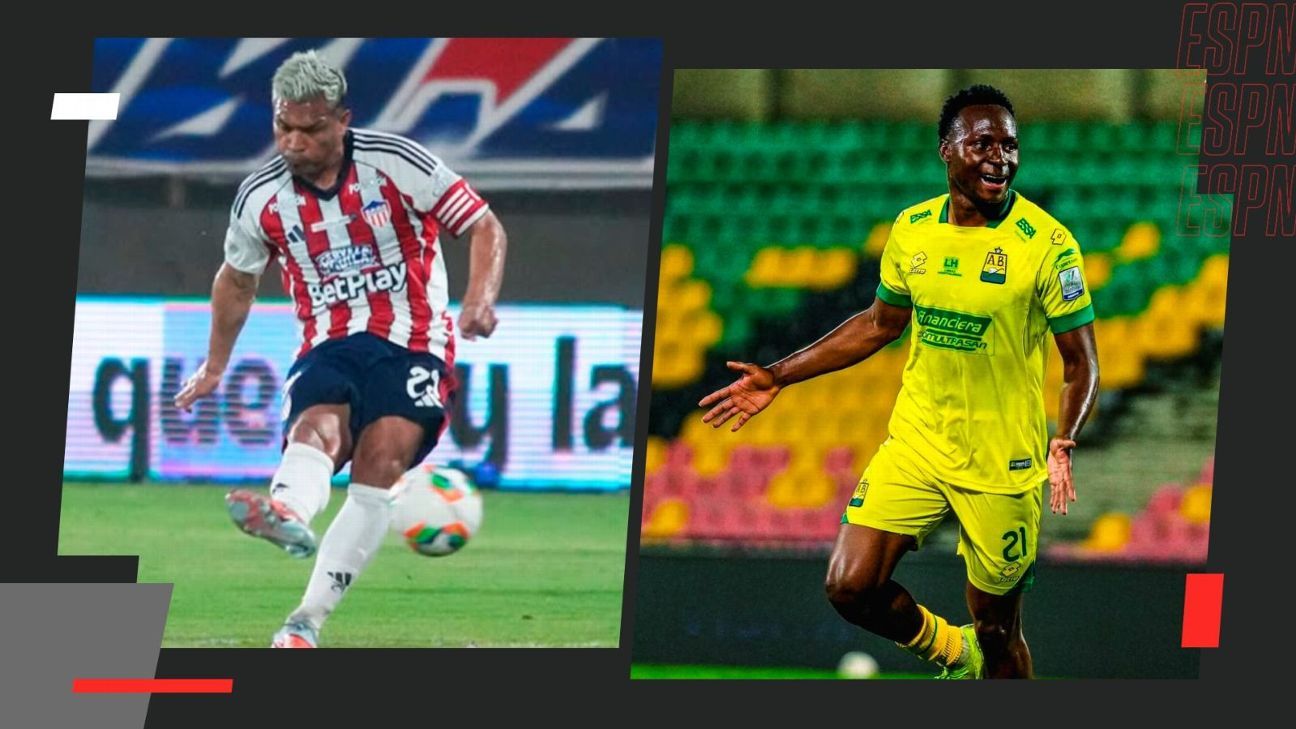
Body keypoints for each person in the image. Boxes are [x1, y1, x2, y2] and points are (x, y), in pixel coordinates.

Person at [699, 85, 1099, 678]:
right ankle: (950, 652)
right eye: (983, 143)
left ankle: (980, 651)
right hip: (919, 443)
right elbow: (878, 324)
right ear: (947, 150)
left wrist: (1065, 437)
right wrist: (778, 375)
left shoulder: (1048, 246)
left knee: (998, 630)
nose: (1000, 158)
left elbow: (1082, 363)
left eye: (1010, 146)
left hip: (1002, 463)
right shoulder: (912, 230)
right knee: (849, 586)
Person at [173, 50, 508, 648]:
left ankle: (305, 622)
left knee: (381, 460)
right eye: (284, 128)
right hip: (327, 342)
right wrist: (215, 363)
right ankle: (289, 517)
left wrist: (480, 299)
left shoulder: (396, 163)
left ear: (342, 119)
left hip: (414, 342)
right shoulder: (260, 199)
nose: (295, 143)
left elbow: (482, 224)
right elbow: (237, 280)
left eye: (311, 128)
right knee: (315, 428)